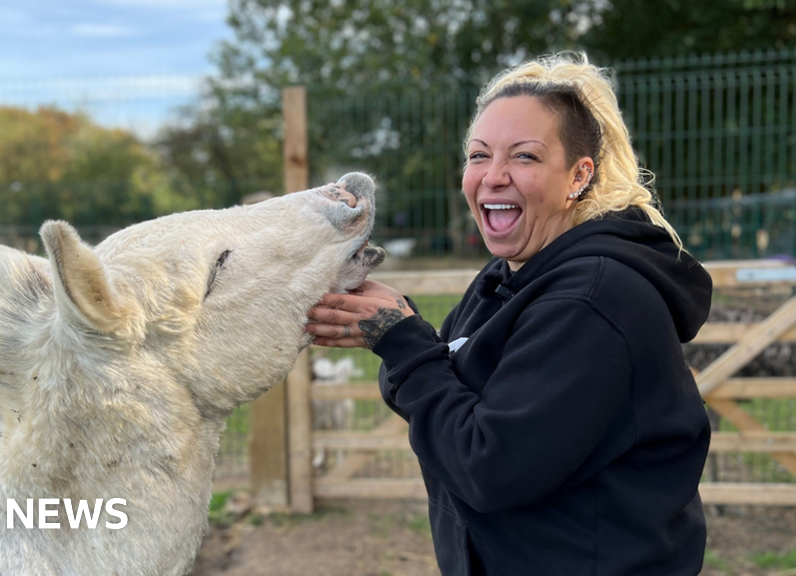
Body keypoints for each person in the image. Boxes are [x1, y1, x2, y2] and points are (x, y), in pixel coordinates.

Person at [305, 53, 712, 575]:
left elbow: (486, 468)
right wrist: (399, 325)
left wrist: (405, 343)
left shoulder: (593, 300)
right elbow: (427, 395)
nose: (492, 176)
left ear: (579, 175)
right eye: (478, 156)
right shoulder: (508, 278)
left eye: (524, 157)